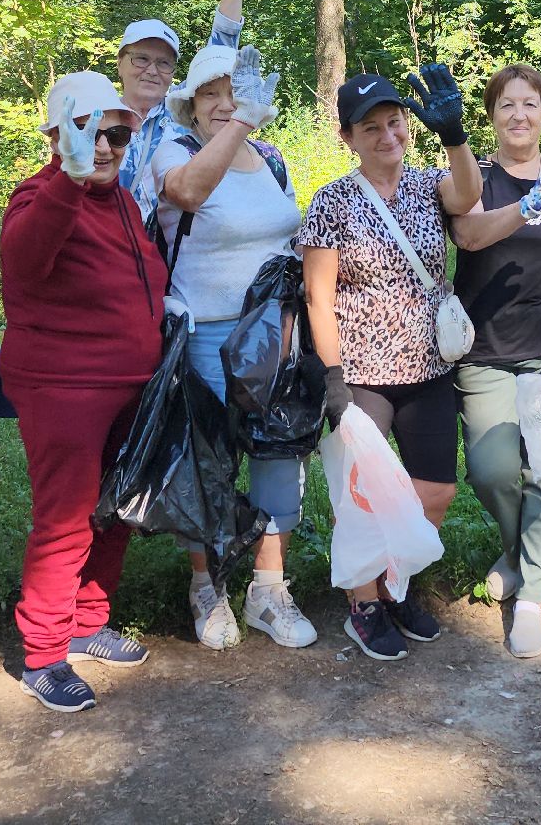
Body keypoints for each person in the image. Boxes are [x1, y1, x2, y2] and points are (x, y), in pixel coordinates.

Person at [299, 67, 482, 661]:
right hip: (361, 377)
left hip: (428, 370)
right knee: (362, 499)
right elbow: (318, 297)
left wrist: (454, 135)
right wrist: (333, 380)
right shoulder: (332, 201)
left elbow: (470, 195)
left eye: (394, 122)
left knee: (434, 492)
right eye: (370, 127)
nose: (386, 135)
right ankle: (365, 604)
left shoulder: (431, 184)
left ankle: (397, 585)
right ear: (349, 136)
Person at [0, 71, 167, 712]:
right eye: (86, 131)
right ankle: (43, 657)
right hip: (65, 387)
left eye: (116, 134)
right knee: (66, 520)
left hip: (127, 386)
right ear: (55, 135)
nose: (103, 147)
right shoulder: (41, 196)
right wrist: (67, 179)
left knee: (113, 510)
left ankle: (87, 622)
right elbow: (24, 257)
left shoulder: (119, 201)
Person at [150, 44, 320, 653]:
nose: (224, 105)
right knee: (208, 461)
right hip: (206, 333)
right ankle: (207, 586)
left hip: (274, 330)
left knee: (279, 454)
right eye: (210, 96)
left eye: (234, 92)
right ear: (191, 108)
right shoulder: (175, 150)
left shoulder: (272, 159)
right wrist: (243, 118)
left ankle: (268, 589)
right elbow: (189, 194)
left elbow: (292, 234)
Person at [449, 64, 541, 659]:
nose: (518, 115)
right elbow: (468, 236)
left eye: (529, 104)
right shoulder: (474, 177)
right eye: (506, 105)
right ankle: (515, 552)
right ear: (492, 115)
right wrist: (527, 206)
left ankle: (530, 596)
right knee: (492, 471)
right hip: (483, 353)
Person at [115, 0, 259, 221]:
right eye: (141, 58)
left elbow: (222, 49)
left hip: (175, 255)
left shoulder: (183, 111)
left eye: (164, 62)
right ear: (120, 63)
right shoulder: (99, 117)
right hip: (114, 257)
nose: (152, 70)